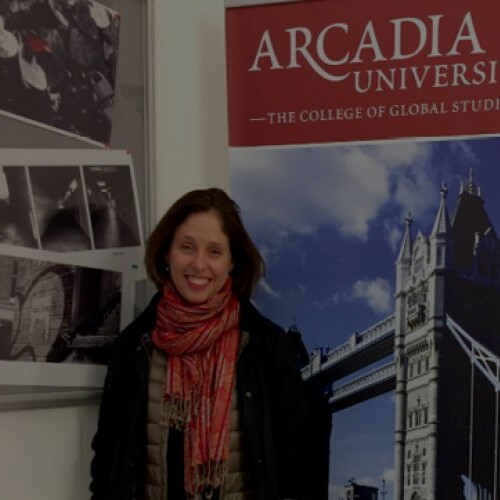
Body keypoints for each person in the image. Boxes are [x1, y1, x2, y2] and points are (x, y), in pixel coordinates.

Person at [90, 187, 310, 500]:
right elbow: (107, 458)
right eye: (187, 247)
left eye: (214, 252)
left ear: (232, 260)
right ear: (167, 252)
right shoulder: (135, 344)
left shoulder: (267, 347)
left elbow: (296, 461)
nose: (199, 264)